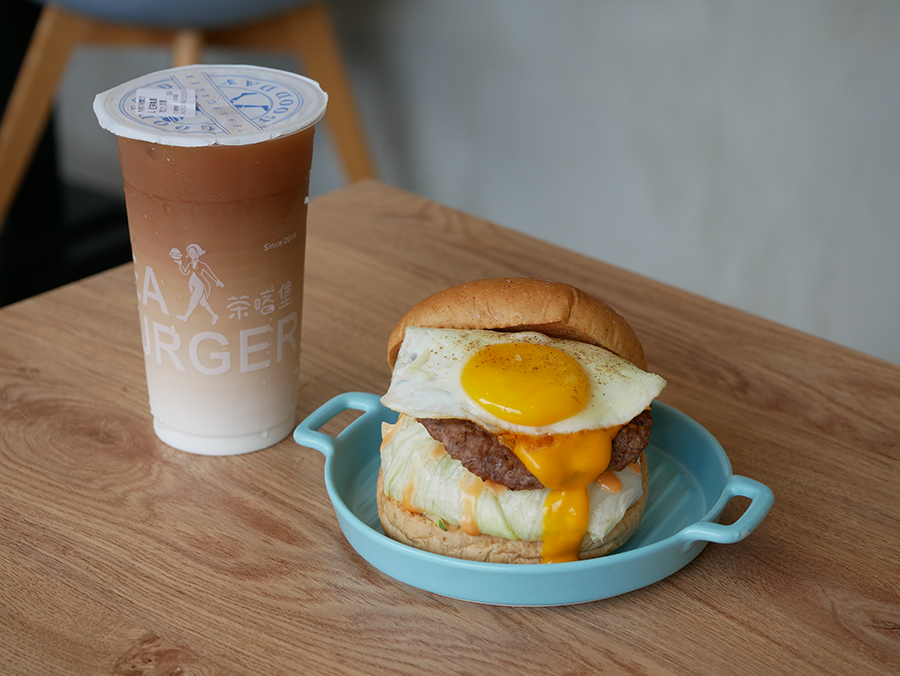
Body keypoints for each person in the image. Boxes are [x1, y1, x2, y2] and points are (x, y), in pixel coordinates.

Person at [170, 244, 224, 324]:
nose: (192, 255)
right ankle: (214, 315)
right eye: (190, 253)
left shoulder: (202, 265)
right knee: (204, 303)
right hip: (194, 286)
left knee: (193, 301)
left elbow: (210, 273)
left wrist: (218, 281)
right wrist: (180, 264)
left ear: (198, 253)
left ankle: (186, 317)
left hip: (199, 286)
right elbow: (185, 272)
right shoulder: (190, 264)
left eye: (193, 253)